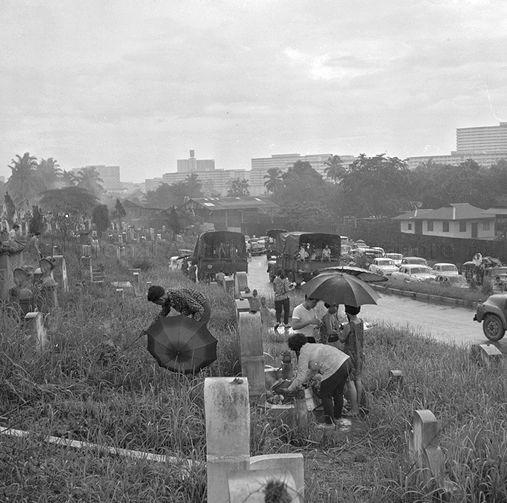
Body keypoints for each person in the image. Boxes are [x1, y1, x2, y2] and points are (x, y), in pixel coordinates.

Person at [283, 334, 351, 428]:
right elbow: (312, 370)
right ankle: (337, 418)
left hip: (335, 366)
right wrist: (307, 380)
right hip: (346, 361)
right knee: (338, 393)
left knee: (325, 394)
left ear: (295, 348)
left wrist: (290, 388)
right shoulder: (312, 346)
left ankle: (329, 423)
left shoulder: (303, 353)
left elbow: (301, 376)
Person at [338, 305, 365, 416]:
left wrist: (339, 331)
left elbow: (342, 339)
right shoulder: (360, 322)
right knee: (358, 379)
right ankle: (358, 405)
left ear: (347, 312)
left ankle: (354, 410)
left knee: (350, 381)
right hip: (360, 355)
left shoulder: (349, 326)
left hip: (350, 356)